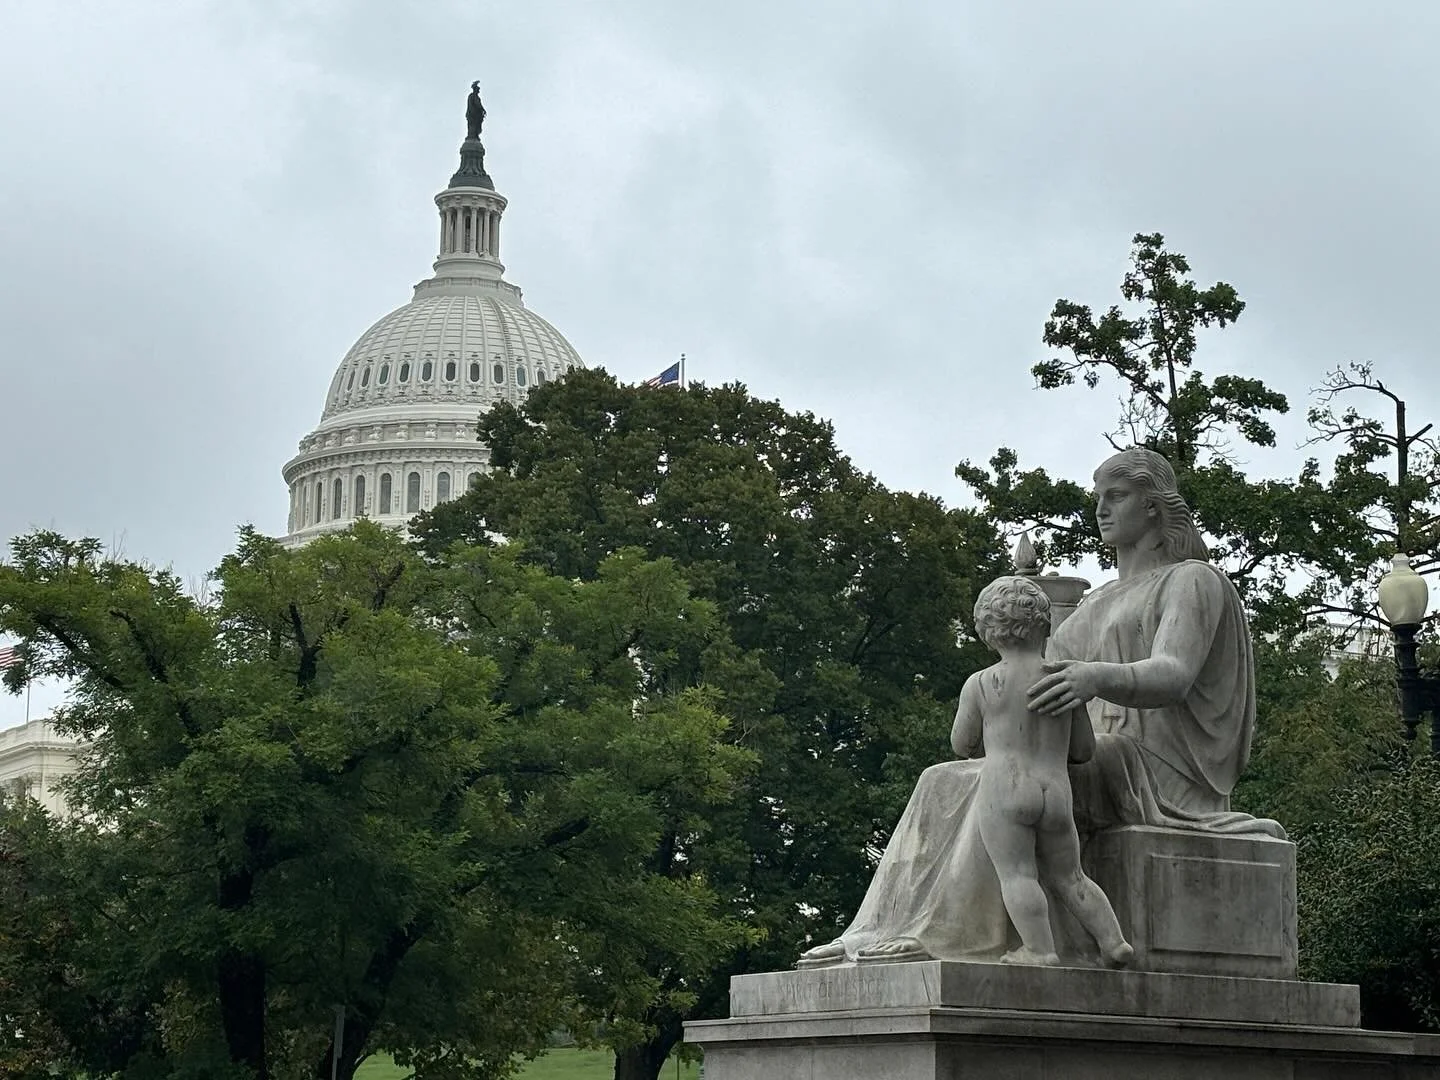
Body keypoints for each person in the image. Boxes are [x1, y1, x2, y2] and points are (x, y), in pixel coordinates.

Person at [798, 447, 1282, 968]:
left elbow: (1174, 674)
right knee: (943, 778)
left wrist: (1094, 677)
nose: (1100, 509)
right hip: (1075, 758)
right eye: (1098, 497)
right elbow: (1037, 687)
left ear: (1154, 506)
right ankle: (881, 929)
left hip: (1151, 767)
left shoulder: (1192, 580)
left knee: (995, 781)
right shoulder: (1095, 601)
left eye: (1116, 497)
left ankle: (943, 937)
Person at [956, 575, 1133, 967]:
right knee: (1071, 876)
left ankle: (1039, 950)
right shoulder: (1062, 678)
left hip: (1004, 789)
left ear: (988, 631)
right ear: (1045, 625)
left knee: (1018, 875)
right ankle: (1114, 942)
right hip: (1055, 790)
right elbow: (1085, 750)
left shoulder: (982, 683)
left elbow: (961, 743)